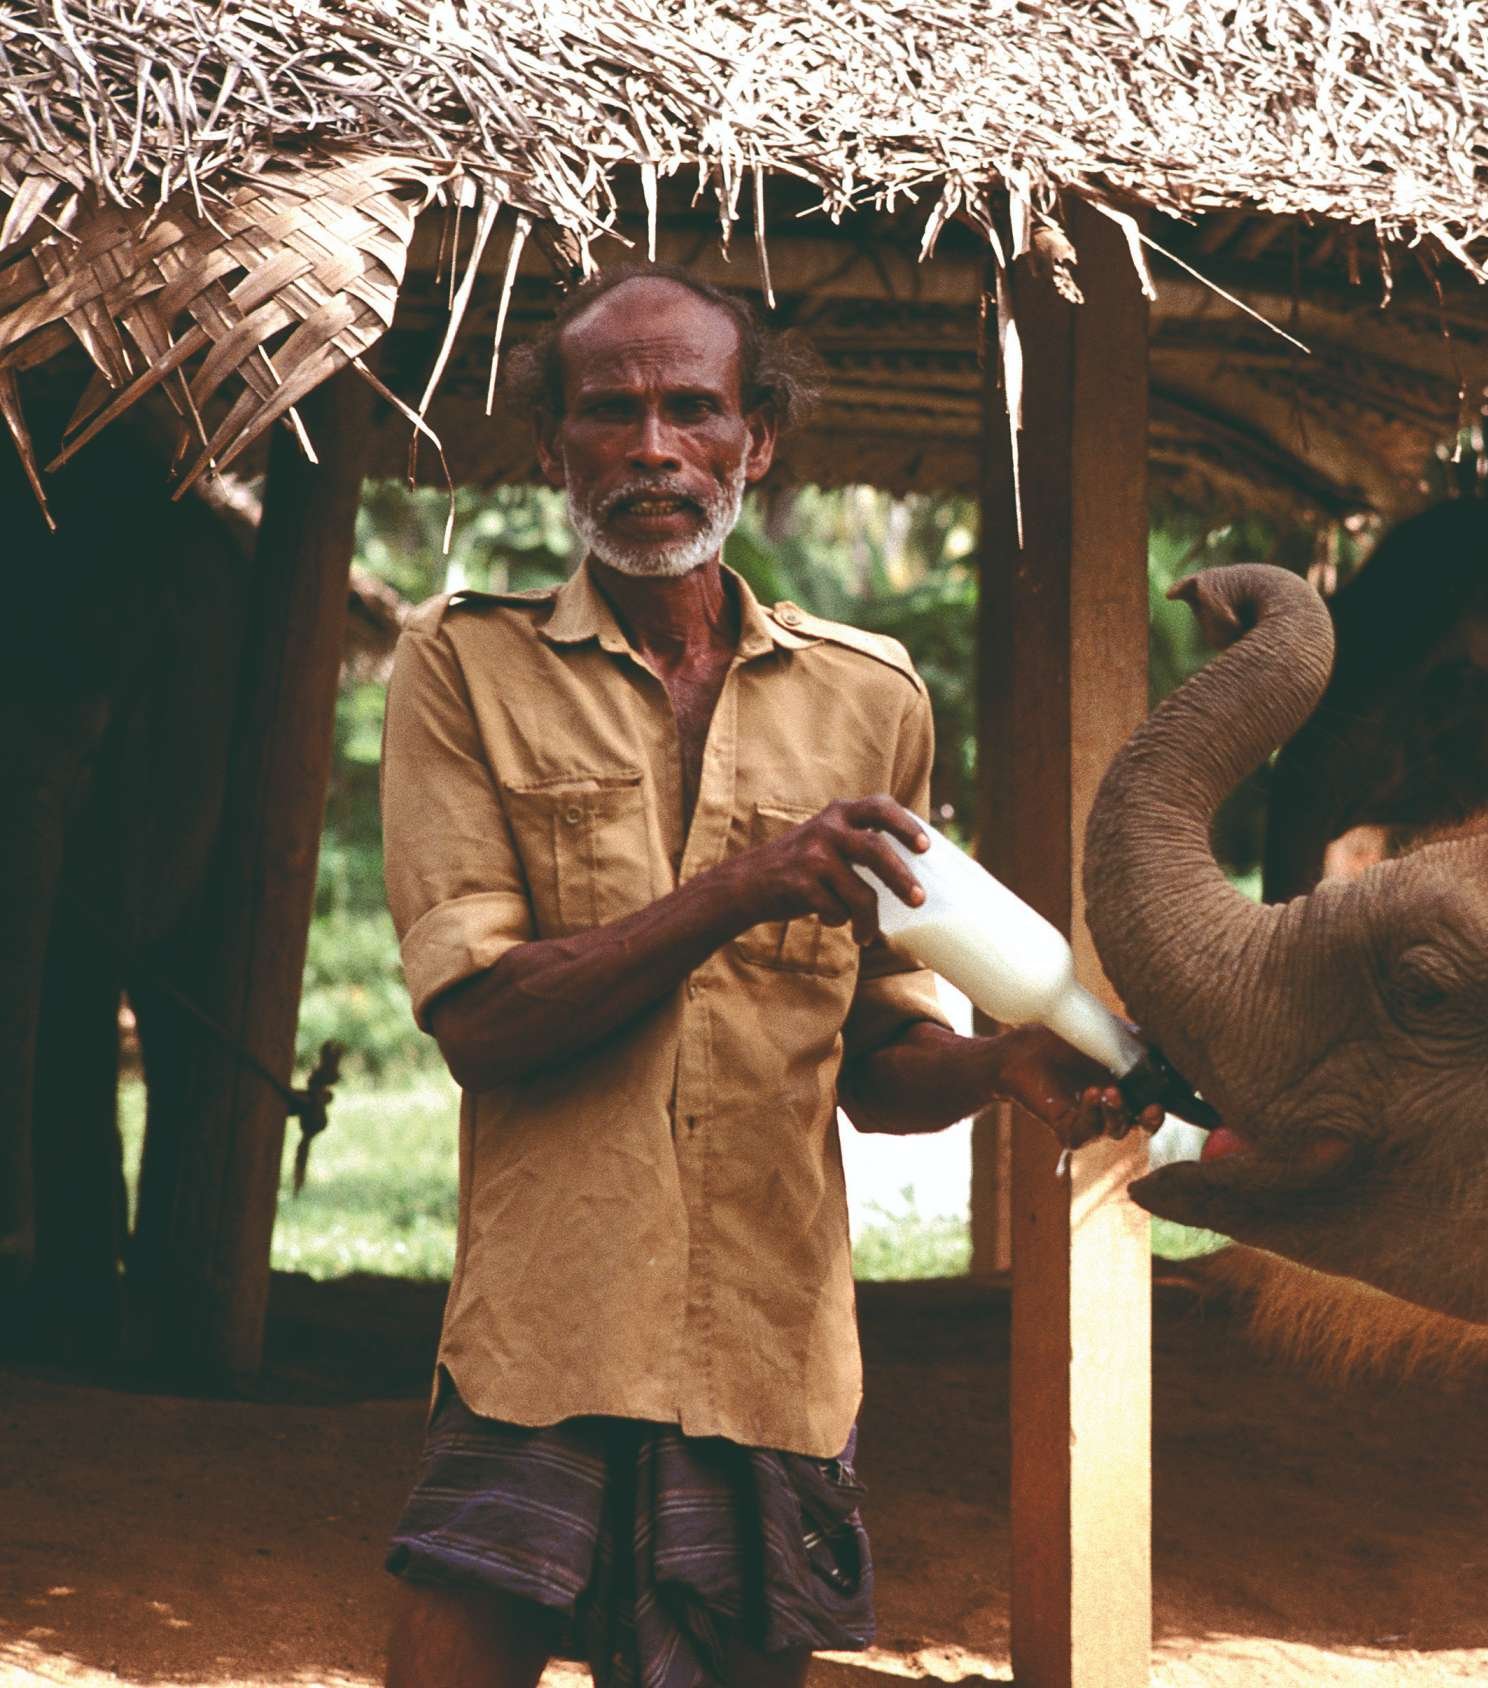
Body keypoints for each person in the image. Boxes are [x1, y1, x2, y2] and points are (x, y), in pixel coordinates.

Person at [375, 262, 1158, 1687]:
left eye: (693, 409)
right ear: (552, 450)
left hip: (770, 1353)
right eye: (610, 414)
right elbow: (484, 1023)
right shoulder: (460, 666)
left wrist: (996, 1067)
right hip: (545, 1341)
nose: (653, 449)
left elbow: (875, 1059)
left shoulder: (875, 698)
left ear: (761, 439)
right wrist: (737, 885)